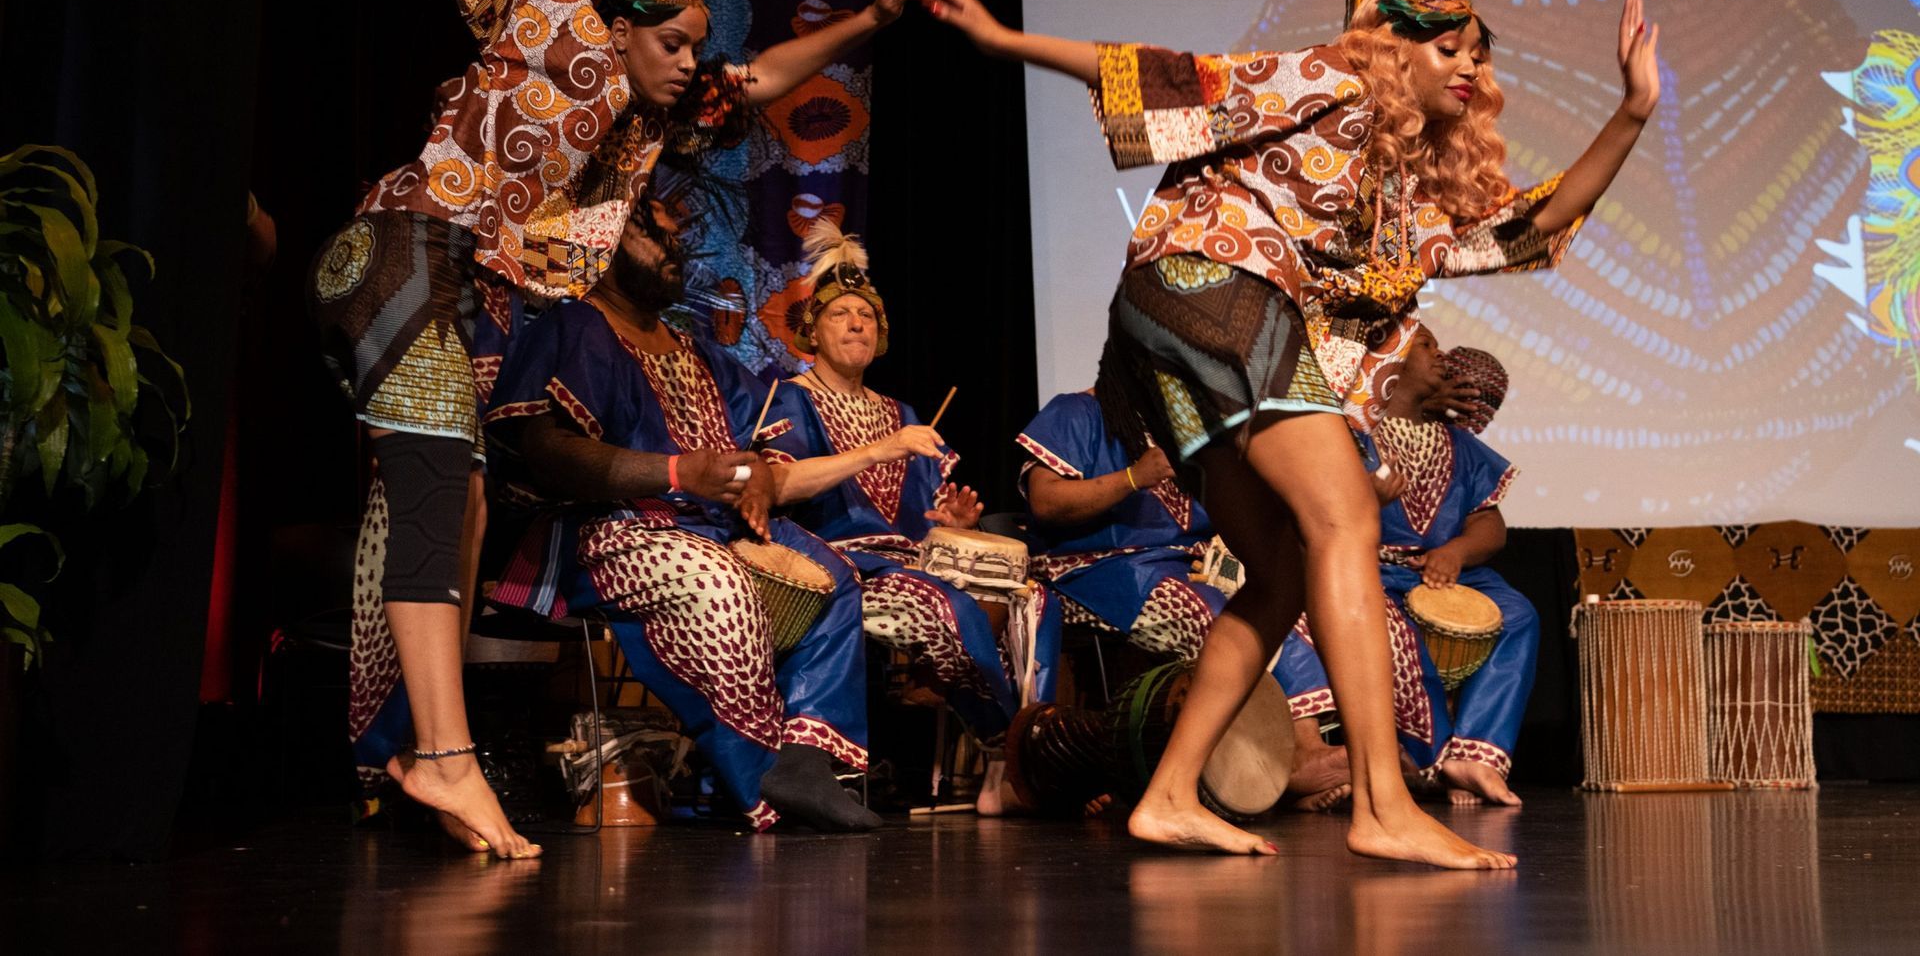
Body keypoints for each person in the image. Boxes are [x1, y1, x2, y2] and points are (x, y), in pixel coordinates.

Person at [277, 0, 922, 856]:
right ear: (620, 28)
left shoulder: (652, 121)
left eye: (694, 46)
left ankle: (394, 759)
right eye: (670, 42)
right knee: (440, 489)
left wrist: (873, 21)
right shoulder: (550, 15)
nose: (688, 62)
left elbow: (760, 79)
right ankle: (442, 757)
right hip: (405, 248)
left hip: (464, 294)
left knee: (449, 501)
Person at [911, 0, 1659, 866]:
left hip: (1173, 327)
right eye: (1446, 45)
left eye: (1476, 55)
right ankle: (1382, 804)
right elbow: (1182, 79)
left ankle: (1169, 794)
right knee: (1345, 518)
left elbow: (1532, 224)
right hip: (1209, 282)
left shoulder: (1408, 211)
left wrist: (1633, 112)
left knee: (1281, 573)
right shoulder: (1336, 76)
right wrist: (1005, 41)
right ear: (1391, 46)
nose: (1468, 65)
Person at [483, 199, 932, 829]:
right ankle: (757, 784)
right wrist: (676, 472)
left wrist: (757, 483)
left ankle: (803, 760)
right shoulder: (575, 327)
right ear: (605, 243)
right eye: (653, 236)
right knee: (721, 584)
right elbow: (546, 452)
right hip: (615, 529)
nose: (674, 248)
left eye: (677, 236)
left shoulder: (702, 353)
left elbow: (762, 450)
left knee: (834, 577)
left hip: (713, 527)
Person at [758, 225, 1021, 802]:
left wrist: (951, 525)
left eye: (867, 316)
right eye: (841, 314)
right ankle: (1010, 753)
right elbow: (775, 485)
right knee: (943, 606)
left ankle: (989, 748)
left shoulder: (902, 413)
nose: (857, 323)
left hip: (908, 562)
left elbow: (924, 519)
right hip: (834, 566)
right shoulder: (790, 397)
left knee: (1029, 600)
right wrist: (879, 450)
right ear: (812, 331)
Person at [1015, 390, 1352, 804]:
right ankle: (1253, 775)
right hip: (1094, 566)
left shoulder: (1186, 423)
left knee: (1285, 604)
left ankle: (1301, 752)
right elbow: (1046, 501)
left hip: (1185, 564)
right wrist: (1133, 478)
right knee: (1210, 615)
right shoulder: (1077, 411)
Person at [1277, 333, 1538, 807]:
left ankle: (1475, 756)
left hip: (1446, 571)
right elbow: (1314, 513)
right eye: (1425, 345)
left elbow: (1490, 525)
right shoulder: (1350, 436)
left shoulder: (1459, 444)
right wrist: (1366, 501)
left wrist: (1456, 551)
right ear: (1388, 362)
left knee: (1517, 614)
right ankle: (1427, 762)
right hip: (1368, 568)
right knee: (1393, 629)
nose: (1440, 354)